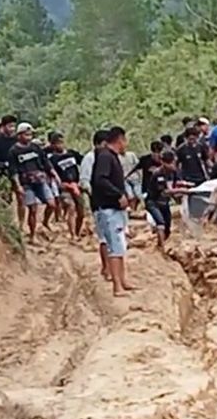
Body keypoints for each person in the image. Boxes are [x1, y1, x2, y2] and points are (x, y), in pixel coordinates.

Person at [92, 127, 135, 296]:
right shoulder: (105, 156)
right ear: (120, 140)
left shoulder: (111, 156)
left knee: (120, 245)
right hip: (109, 208)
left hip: (115, 209)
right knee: (115, 247)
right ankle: (117, 286)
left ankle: (123, 281)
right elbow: (100, 180)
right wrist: (118, 194)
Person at [7, 123, 57, 243]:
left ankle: (45, 222)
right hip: (26, 183)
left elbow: (45, 162)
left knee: (52, 204)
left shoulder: (35, 147)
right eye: (25, 134)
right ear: (19, 135)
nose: (28, 136)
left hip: (40, 180)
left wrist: (54, 174)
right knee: (32, 209)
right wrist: (18, 186)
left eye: (30, 133)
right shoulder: (14, 151)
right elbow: (13, 170)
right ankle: (32, 234)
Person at [47, 132, 86, 240]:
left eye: (61, 142)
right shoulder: (52, 159)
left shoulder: (72, 153)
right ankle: (72, 234)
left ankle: (77, 232)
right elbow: (52, 175)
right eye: (57, 143)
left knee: (81, 212)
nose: (60, 145)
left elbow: (84, 162)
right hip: (64, 187)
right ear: (53, 145)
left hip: (76, 184)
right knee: (71, 207)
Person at [145, 150, 184, 248]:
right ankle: (162, 248)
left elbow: (175, 184)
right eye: (169, 163)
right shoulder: (158, 174)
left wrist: (183, 185)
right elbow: (165, 191)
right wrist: (182, 190)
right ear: (163, 162)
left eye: (173, 163)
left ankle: (159, 244)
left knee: (168, 228)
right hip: (153, 202)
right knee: (160, 222)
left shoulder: (173, 172)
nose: (172, 165)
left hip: (164, 202)